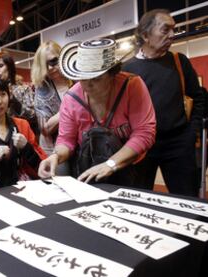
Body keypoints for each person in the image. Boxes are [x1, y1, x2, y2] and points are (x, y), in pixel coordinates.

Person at [39, 38, 156, 186]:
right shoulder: (72, 98)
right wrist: (56, 156)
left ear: (112, 73)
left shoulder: (132, 86)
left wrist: (111, 164)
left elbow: (144, 133)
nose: (88, 84)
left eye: (96, 78)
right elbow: (66, 140)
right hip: (90, 166)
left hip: (131, 166)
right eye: (82, 77)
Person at [123, 9, 205, 196]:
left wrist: (191, 134)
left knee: (187, 201)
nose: (172, 35)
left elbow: (198, 98)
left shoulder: (179, 61)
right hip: (141, 146)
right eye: (165, 29)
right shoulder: (127, 70)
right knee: (140, 199)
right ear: (145, 35)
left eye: (173, 29)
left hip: (178, 144)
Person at [32, 41, 73, 156]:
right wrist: (71, 106)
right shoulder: (42, 88)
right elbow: (45, 129)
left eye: (53, 61)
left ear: (63, 57)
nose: (50, 68)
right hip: (53, 148)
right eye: (45, 65)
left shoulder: (77, 79)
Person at [0, 51, 39, 136]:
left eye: (0, 66)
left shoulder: (23, 89)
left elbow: (33, 116)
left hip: (21, 135)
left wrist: (15, 102)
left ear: (9, 67)